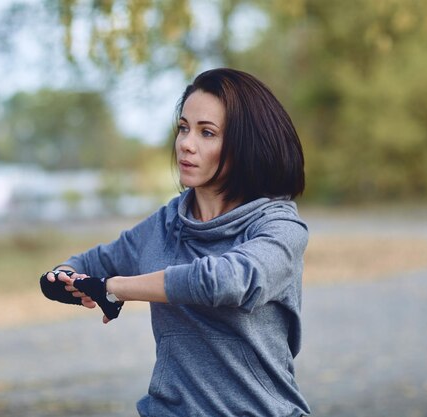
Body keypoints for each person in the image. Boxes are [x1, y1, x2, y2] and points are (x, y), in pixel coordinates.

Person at [40, 68, 311, 416]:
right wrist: (62, 280)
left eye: (207, 132)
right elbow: (89, 265)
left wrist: (115, 289)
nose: (186, 143)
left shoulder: (279, 227)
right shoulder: (166, 224)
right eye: (183, 128)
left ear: (245, 145)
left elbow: (225, 281)